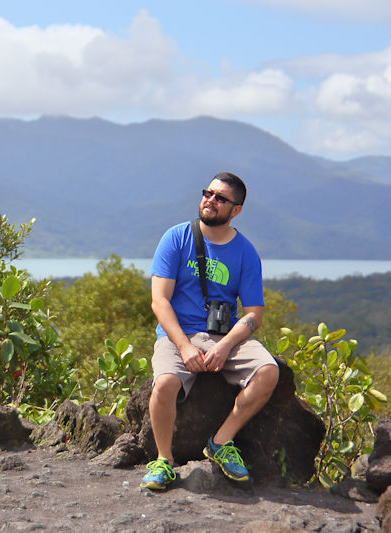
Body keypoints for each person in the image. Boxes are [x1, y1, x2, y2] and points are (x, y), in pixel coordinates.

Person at [140, 171, 279, 490]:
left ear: (236, 210)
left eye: (221, 198)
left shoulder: (245, 252)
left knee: (269, 371)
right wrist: (185, 348)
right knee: (164, 384)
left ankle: (220, 441)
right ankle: (164, 460)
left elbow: (254, 313)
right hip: (178, 334)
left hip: (223, 335)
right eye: (208, 193)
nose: (210, 200)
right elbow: (159, 301)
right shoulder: (177, 238)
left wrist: (227, 345)